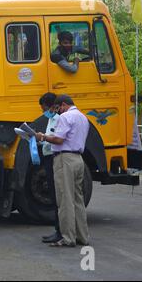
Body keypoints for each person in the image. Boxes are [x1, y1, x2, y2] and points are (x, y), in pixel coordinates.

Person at [36, 95, 90, 247]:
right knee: (78, 199)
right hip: (79, 160)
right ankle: (82, 236)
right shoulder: (83, 118)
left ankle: (68, 238)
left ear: (63, 105)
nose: (57, 111)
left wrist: (43, 137)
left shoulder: (65, 117)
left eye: (58, 108)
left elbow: (59, 139)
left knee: (65, 200)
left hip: (64, 159)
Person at [38, 93, 62, 244]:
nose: (43, 111)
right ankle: (57, 229)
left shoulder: (59, 119)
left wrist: (42, 137)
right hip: (48, 157)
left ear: (52, 106)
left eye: (45, 108)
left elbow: (56, 139)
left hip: (54, 158)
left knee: (56, 195)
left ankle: (60, 231)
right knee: (54, 196)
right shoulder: (51, 118)